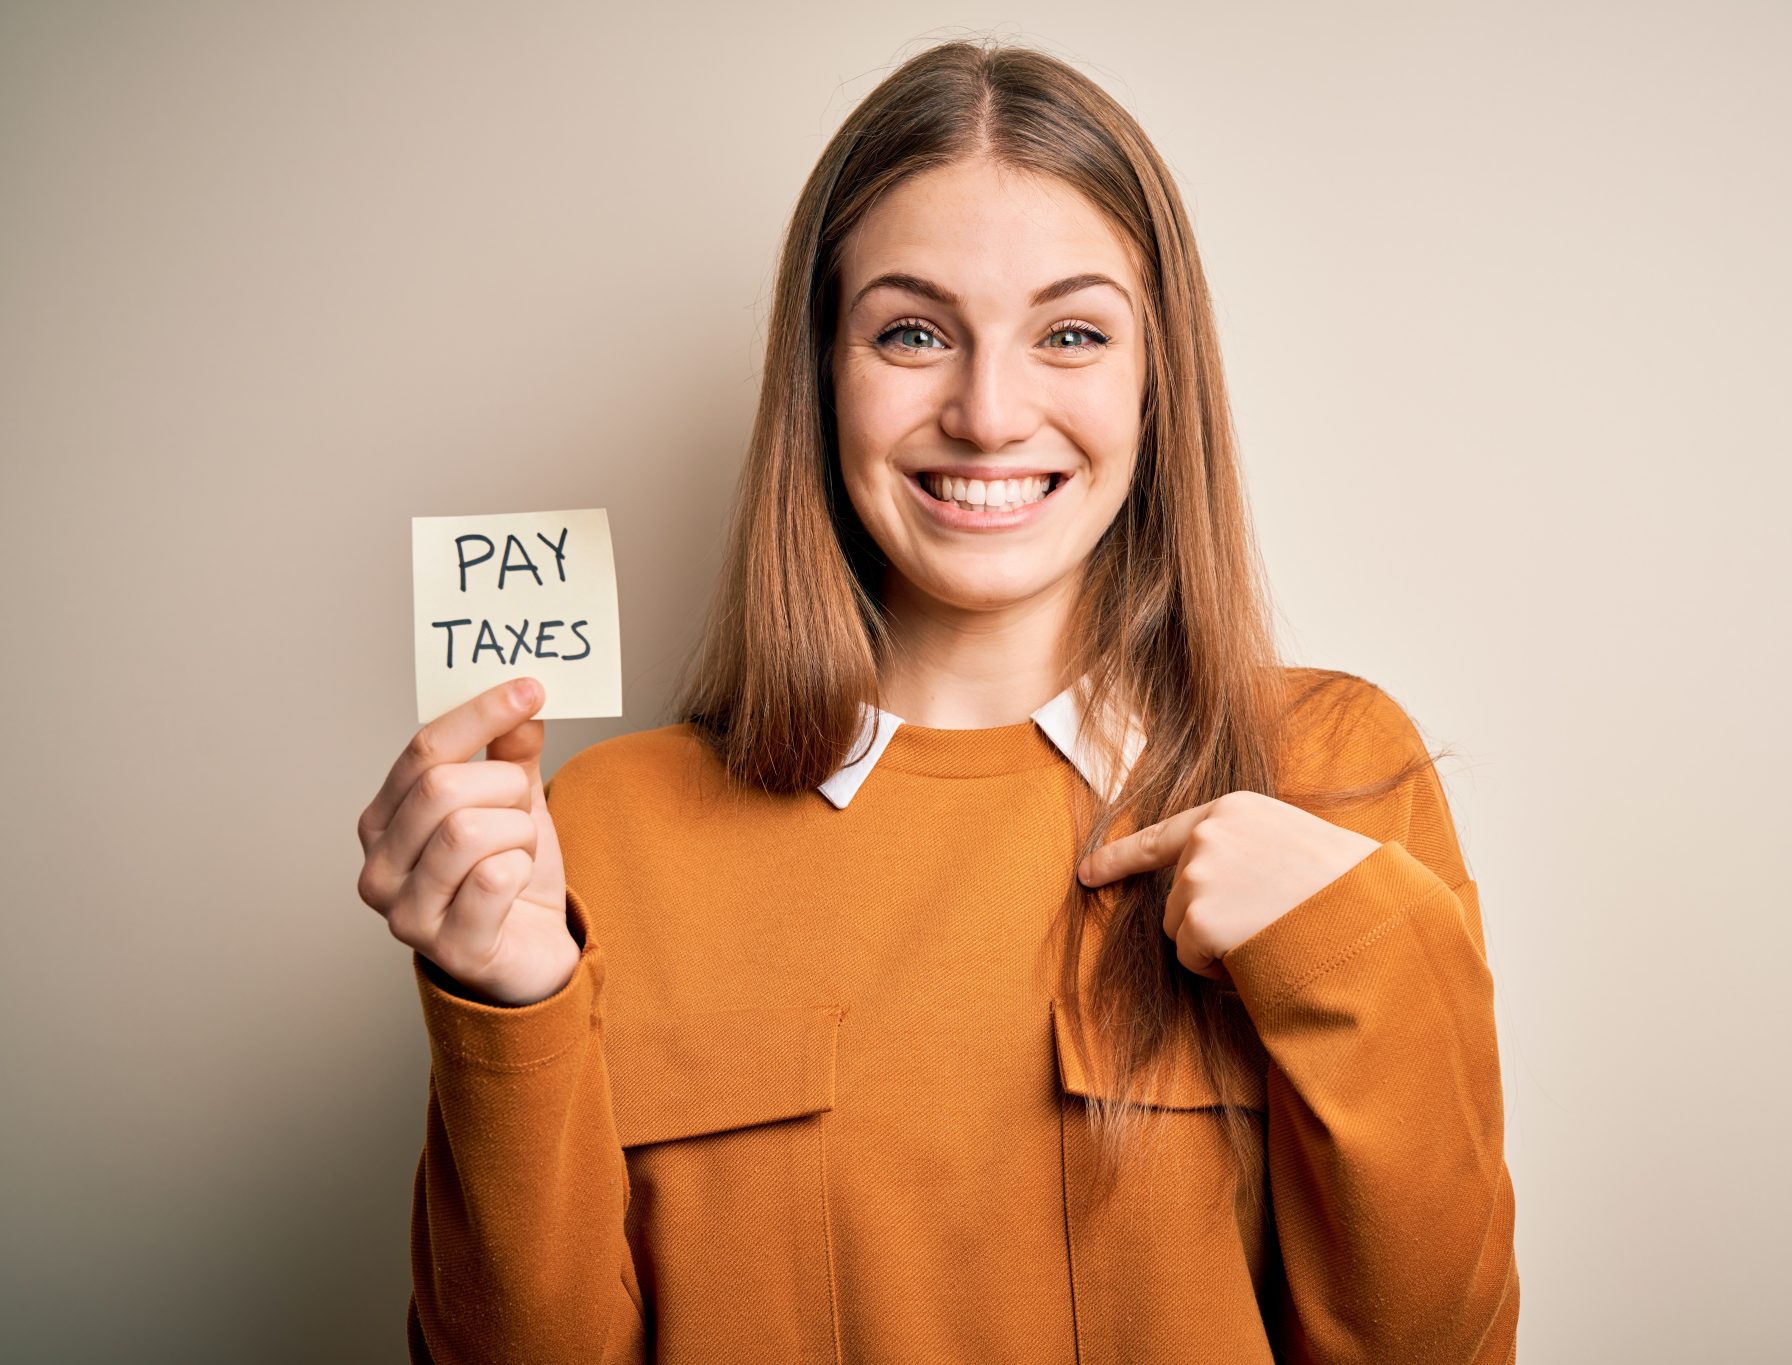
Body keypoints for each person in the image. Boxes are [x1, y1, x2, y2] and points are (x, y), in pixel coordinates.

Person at [356, 37, 1518, 1365]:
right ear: (822, 378)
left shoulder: (1332, 770)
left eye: (1071, 334)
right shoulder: (605, 831)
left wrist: (1348, 949)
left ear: (1158, 380)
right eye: (912, 332)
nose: (986, 410)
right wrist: (507, 999)